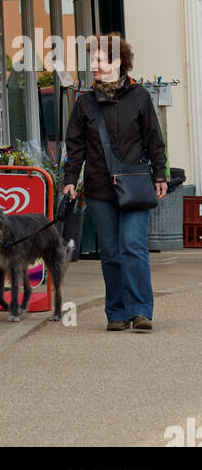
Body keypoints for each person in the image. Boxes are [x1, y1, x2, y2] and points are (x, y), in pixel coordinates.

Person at [61, 33, 167, 332]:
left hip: (134, 186)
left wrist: (160, 174)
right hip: (99, 188)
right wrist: (70, 179)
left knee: (133, 245)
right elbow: (76, 146)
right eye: (92, 59)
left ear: (118, 62)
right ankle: (117, 313)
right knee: (110, 250)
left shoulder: (140, 97)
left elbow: (154, 140)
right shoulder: (85, 103)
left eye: (99, 59)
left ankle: (141, 311)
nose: (93, 65)